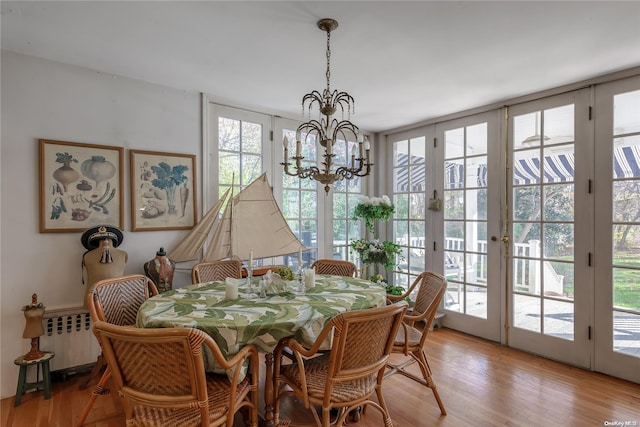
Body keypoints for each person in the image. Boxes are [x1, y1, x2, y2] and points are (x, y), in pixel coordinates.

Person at [81, 225, 128, 306]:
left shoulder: (123, 254)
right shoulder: (87, 256)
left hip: (117, 297)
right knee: (96, 318)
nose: (105, 241)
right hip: (94, 297)